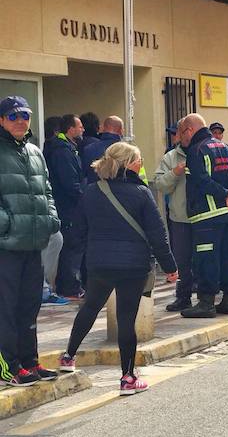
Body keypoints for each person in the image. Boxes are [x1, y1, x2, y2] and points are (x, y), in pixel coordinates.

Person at [59, 142, 177, 394]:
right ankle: (127, 378)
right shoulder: (141, 194)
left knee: (90, 306)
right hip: (132, 266)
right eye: (138, 160)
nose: (142, 164)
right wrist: (170, 267)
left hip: (99, 263)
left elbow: (77, 232)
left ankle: (68, 356)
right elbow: (158, 235)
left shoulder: (91, 192)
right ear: (128, 164)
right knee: (126, 319)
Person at [0, 96, 60, 386]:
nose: (21, 120)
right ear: (1, 120)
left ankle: (30, 363)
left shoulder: (35, 151)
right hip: (6, 246)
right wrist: (7, 225)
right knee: (6, 309)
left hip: (34, 242)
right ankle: (9, 368)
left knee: (29, 306)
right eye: (13, 116)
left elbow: (46, 190)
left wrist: (51, 219)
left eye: (25, 115)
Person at [179, 114, 228, 318]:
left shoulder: (196, 150)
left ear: (189, 130)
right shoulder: (226, 148)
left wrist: (224, 193)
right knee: (227, 257)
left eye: (181, 133)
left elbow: (201, 181)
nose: (181, 138)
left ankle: (206, 303)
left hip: (206, 216)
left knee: (206, 259)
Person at [151, 122, 193, 312]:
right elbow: (160, 184)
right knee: (182, 261)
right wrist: (175, 173)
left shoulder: (206, 151)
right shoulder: (171, 157)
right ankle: (183, 297)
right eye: (181, 132)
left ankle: (207, 296)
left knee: (206, 260)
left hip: (207, 217)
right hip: (181, 217)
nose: (185, 136)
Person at [44, 113, 86, 299]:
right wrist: (82, 198)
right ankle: (69, 287)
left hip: (66, 204)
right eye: (79, 126)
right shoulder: (63, 151)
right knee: (71, 246)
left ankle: (67, 285)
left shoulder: (66, 148)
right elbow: (70, 183)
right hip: (68, 206)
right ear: (70, 129)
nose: (83, 129)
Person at [81, 115, 124, 183]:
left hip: (94, 190)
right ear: (121, 130)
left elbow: (84, 174)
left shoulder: (89, 149)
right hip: (121, 191)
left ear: (103, 128)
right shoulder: (126, 150)